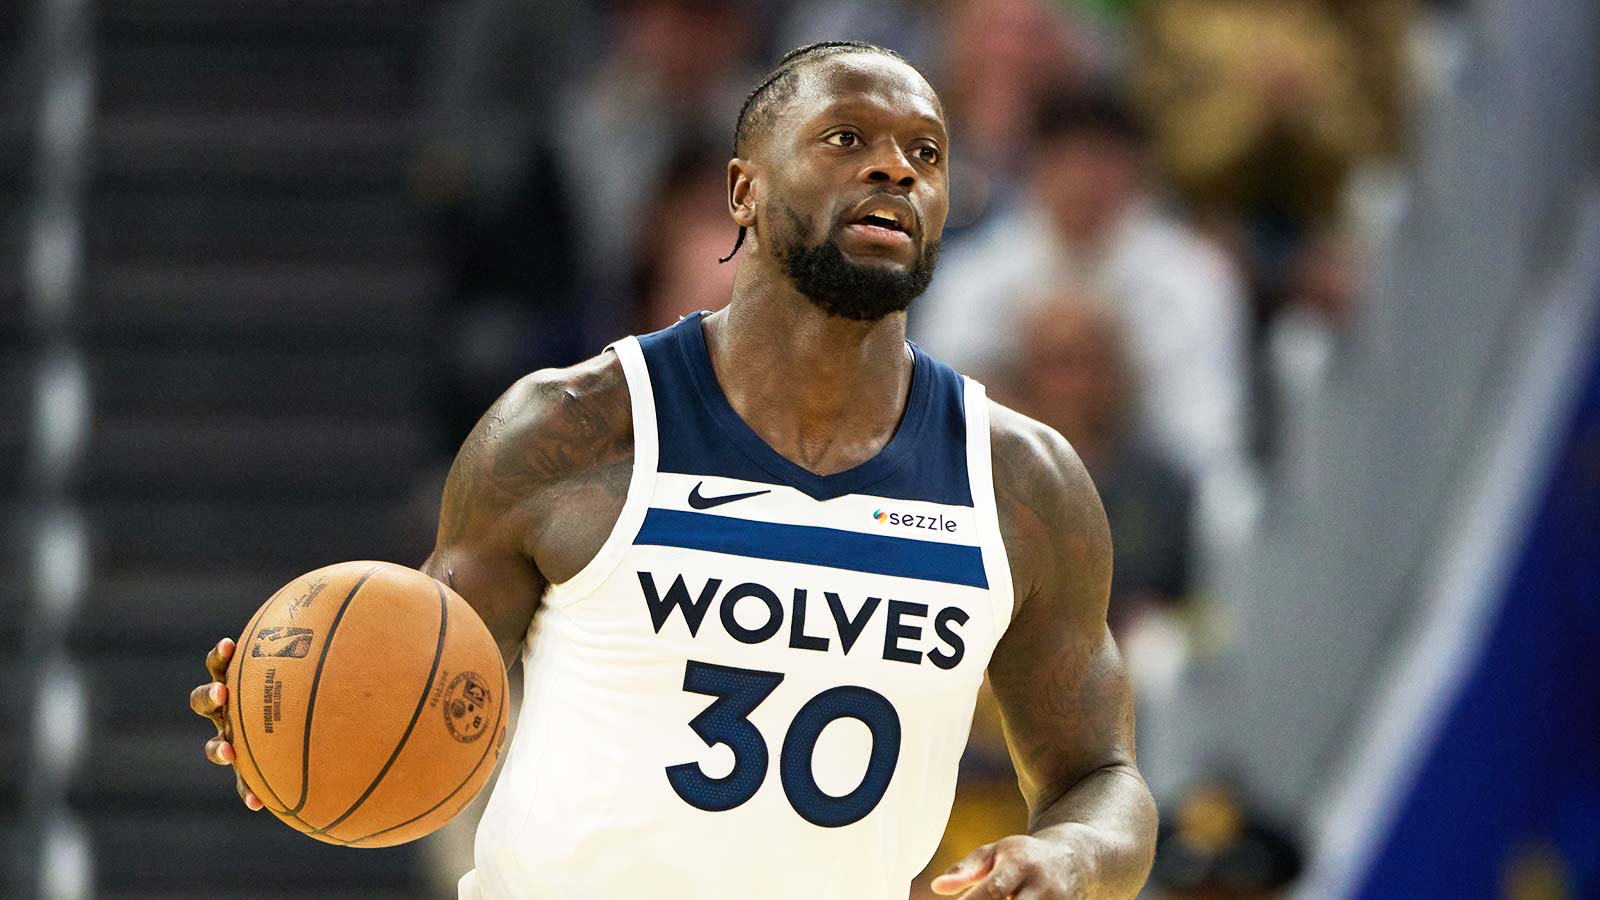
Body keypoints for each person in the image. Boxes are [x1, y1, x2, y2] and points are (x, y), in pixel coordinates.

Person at [191, 41, 1157, 900]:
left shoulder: (1021, 482)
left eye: (926, 153)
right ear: (742, 189)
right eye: (847, 137)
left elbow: (1101, 778)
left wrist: (1070, 857)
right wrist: (304, 713)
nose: (894, 169)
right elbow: (427, 687)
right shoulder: (570, 431)